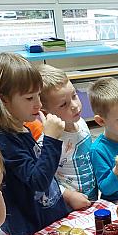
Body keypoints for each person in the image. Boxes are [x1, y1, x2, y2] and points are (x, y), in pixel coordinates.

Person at [0, 52, 88, 235]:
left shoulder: (23, 127)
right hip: (27, 230)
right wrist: (51, 139)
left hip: (47, 218)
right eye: (30, 98)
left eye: (38, 95)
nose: (38, 104)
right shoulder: (2, 139)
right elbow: (38, 180)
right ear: (4, 100)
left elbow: (43, 171)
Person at [36, 63, 97, 203]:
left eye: (74, 96)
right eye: (64, 104)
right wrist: (68, 196)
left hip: (92, 198)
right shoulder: (47, 143)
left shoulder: (81, 123)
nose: (75, 106)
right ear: (46, 113)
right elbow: (45, 180)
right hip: (69, 205)